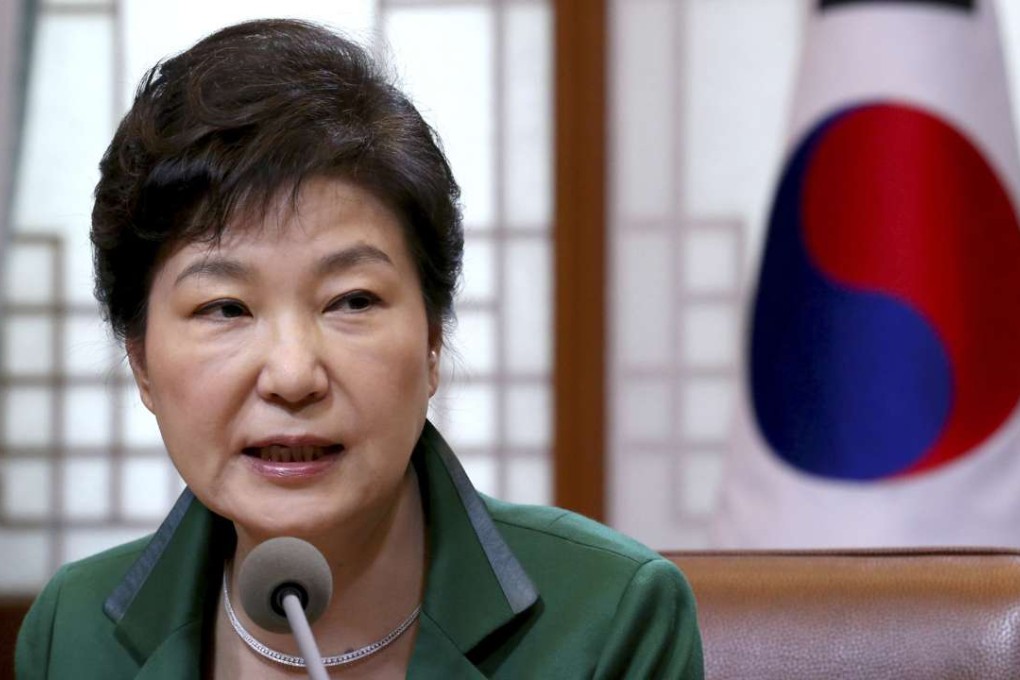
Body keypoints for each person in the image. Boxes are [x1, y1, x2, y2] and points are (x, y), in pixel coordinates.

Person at [15, 19, 703, 679]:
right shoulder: (72, 634)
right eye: (225, 308)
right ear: (140, 360)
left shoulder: (612, 618)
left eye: (351, 301)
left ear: (434, 339)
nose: (291, 375)